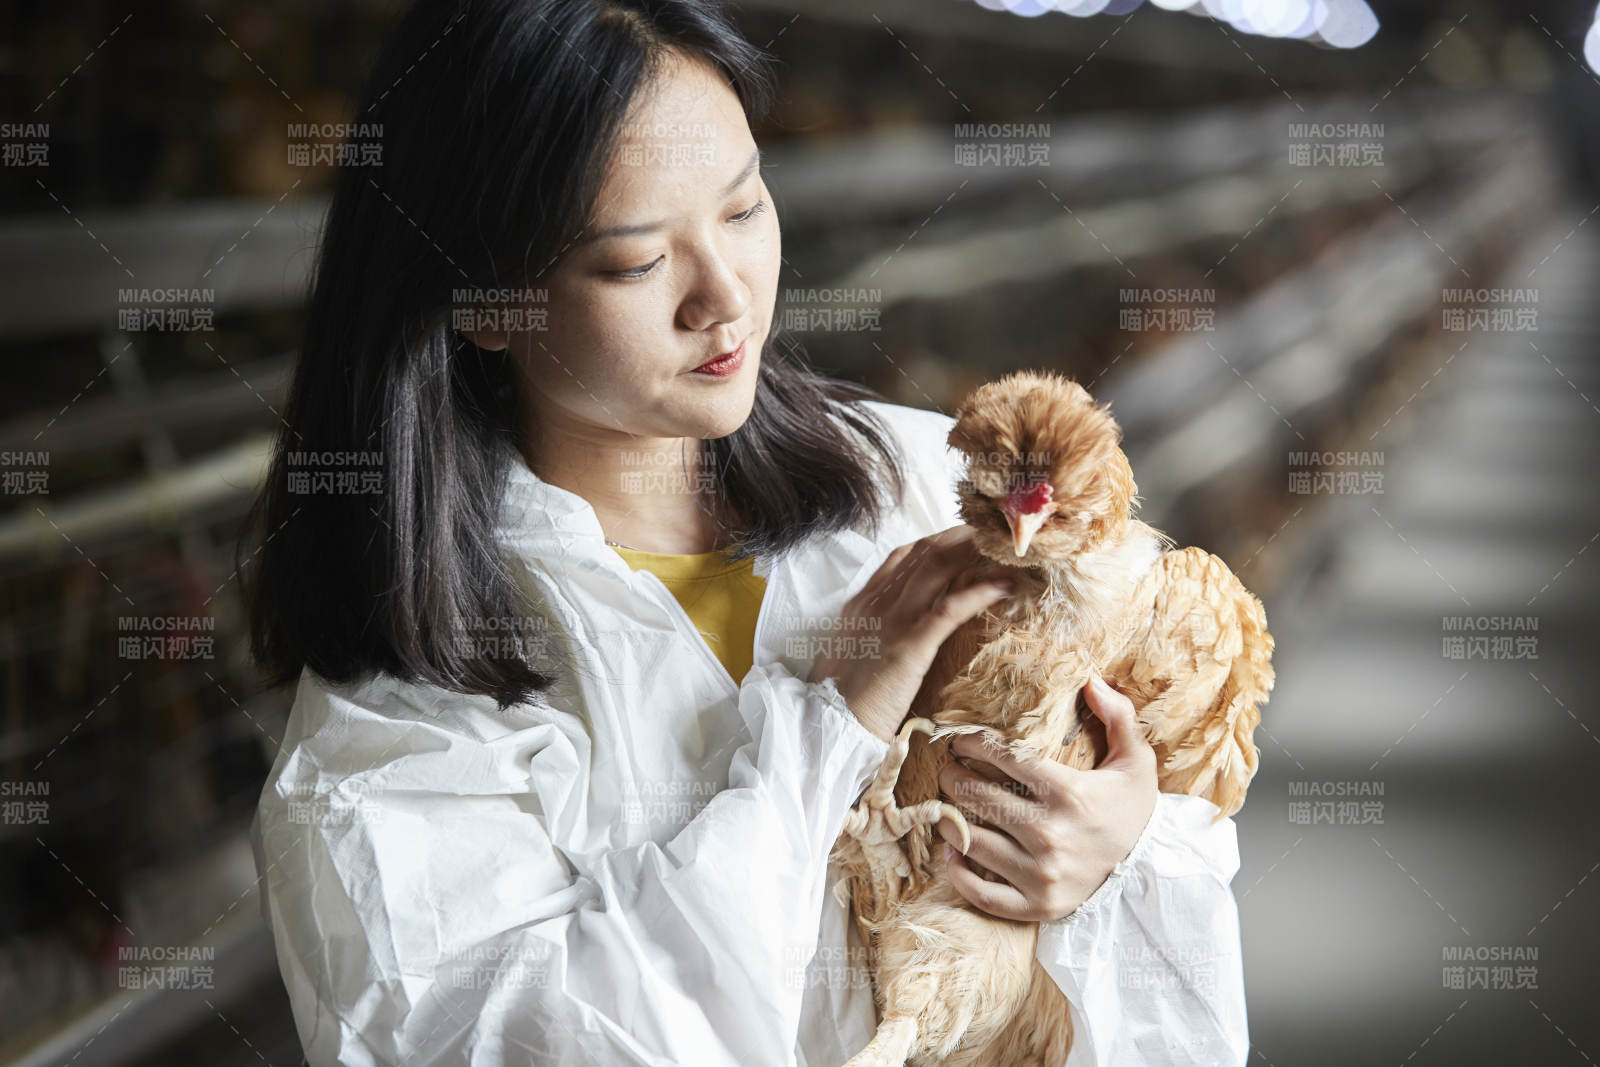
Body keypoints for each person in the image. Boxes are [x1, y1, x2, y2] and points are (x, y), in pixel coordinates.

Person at [243, 1, 1249, 1064]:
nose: (723, 298)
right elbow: (547, 1039)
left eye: (742, 208)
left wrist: (1119, 838)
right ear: (486, 303)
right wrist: (832, 720)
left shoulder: (925, 483)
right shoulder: (395, 737)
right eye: (634, 262)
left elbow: (1172, 834)